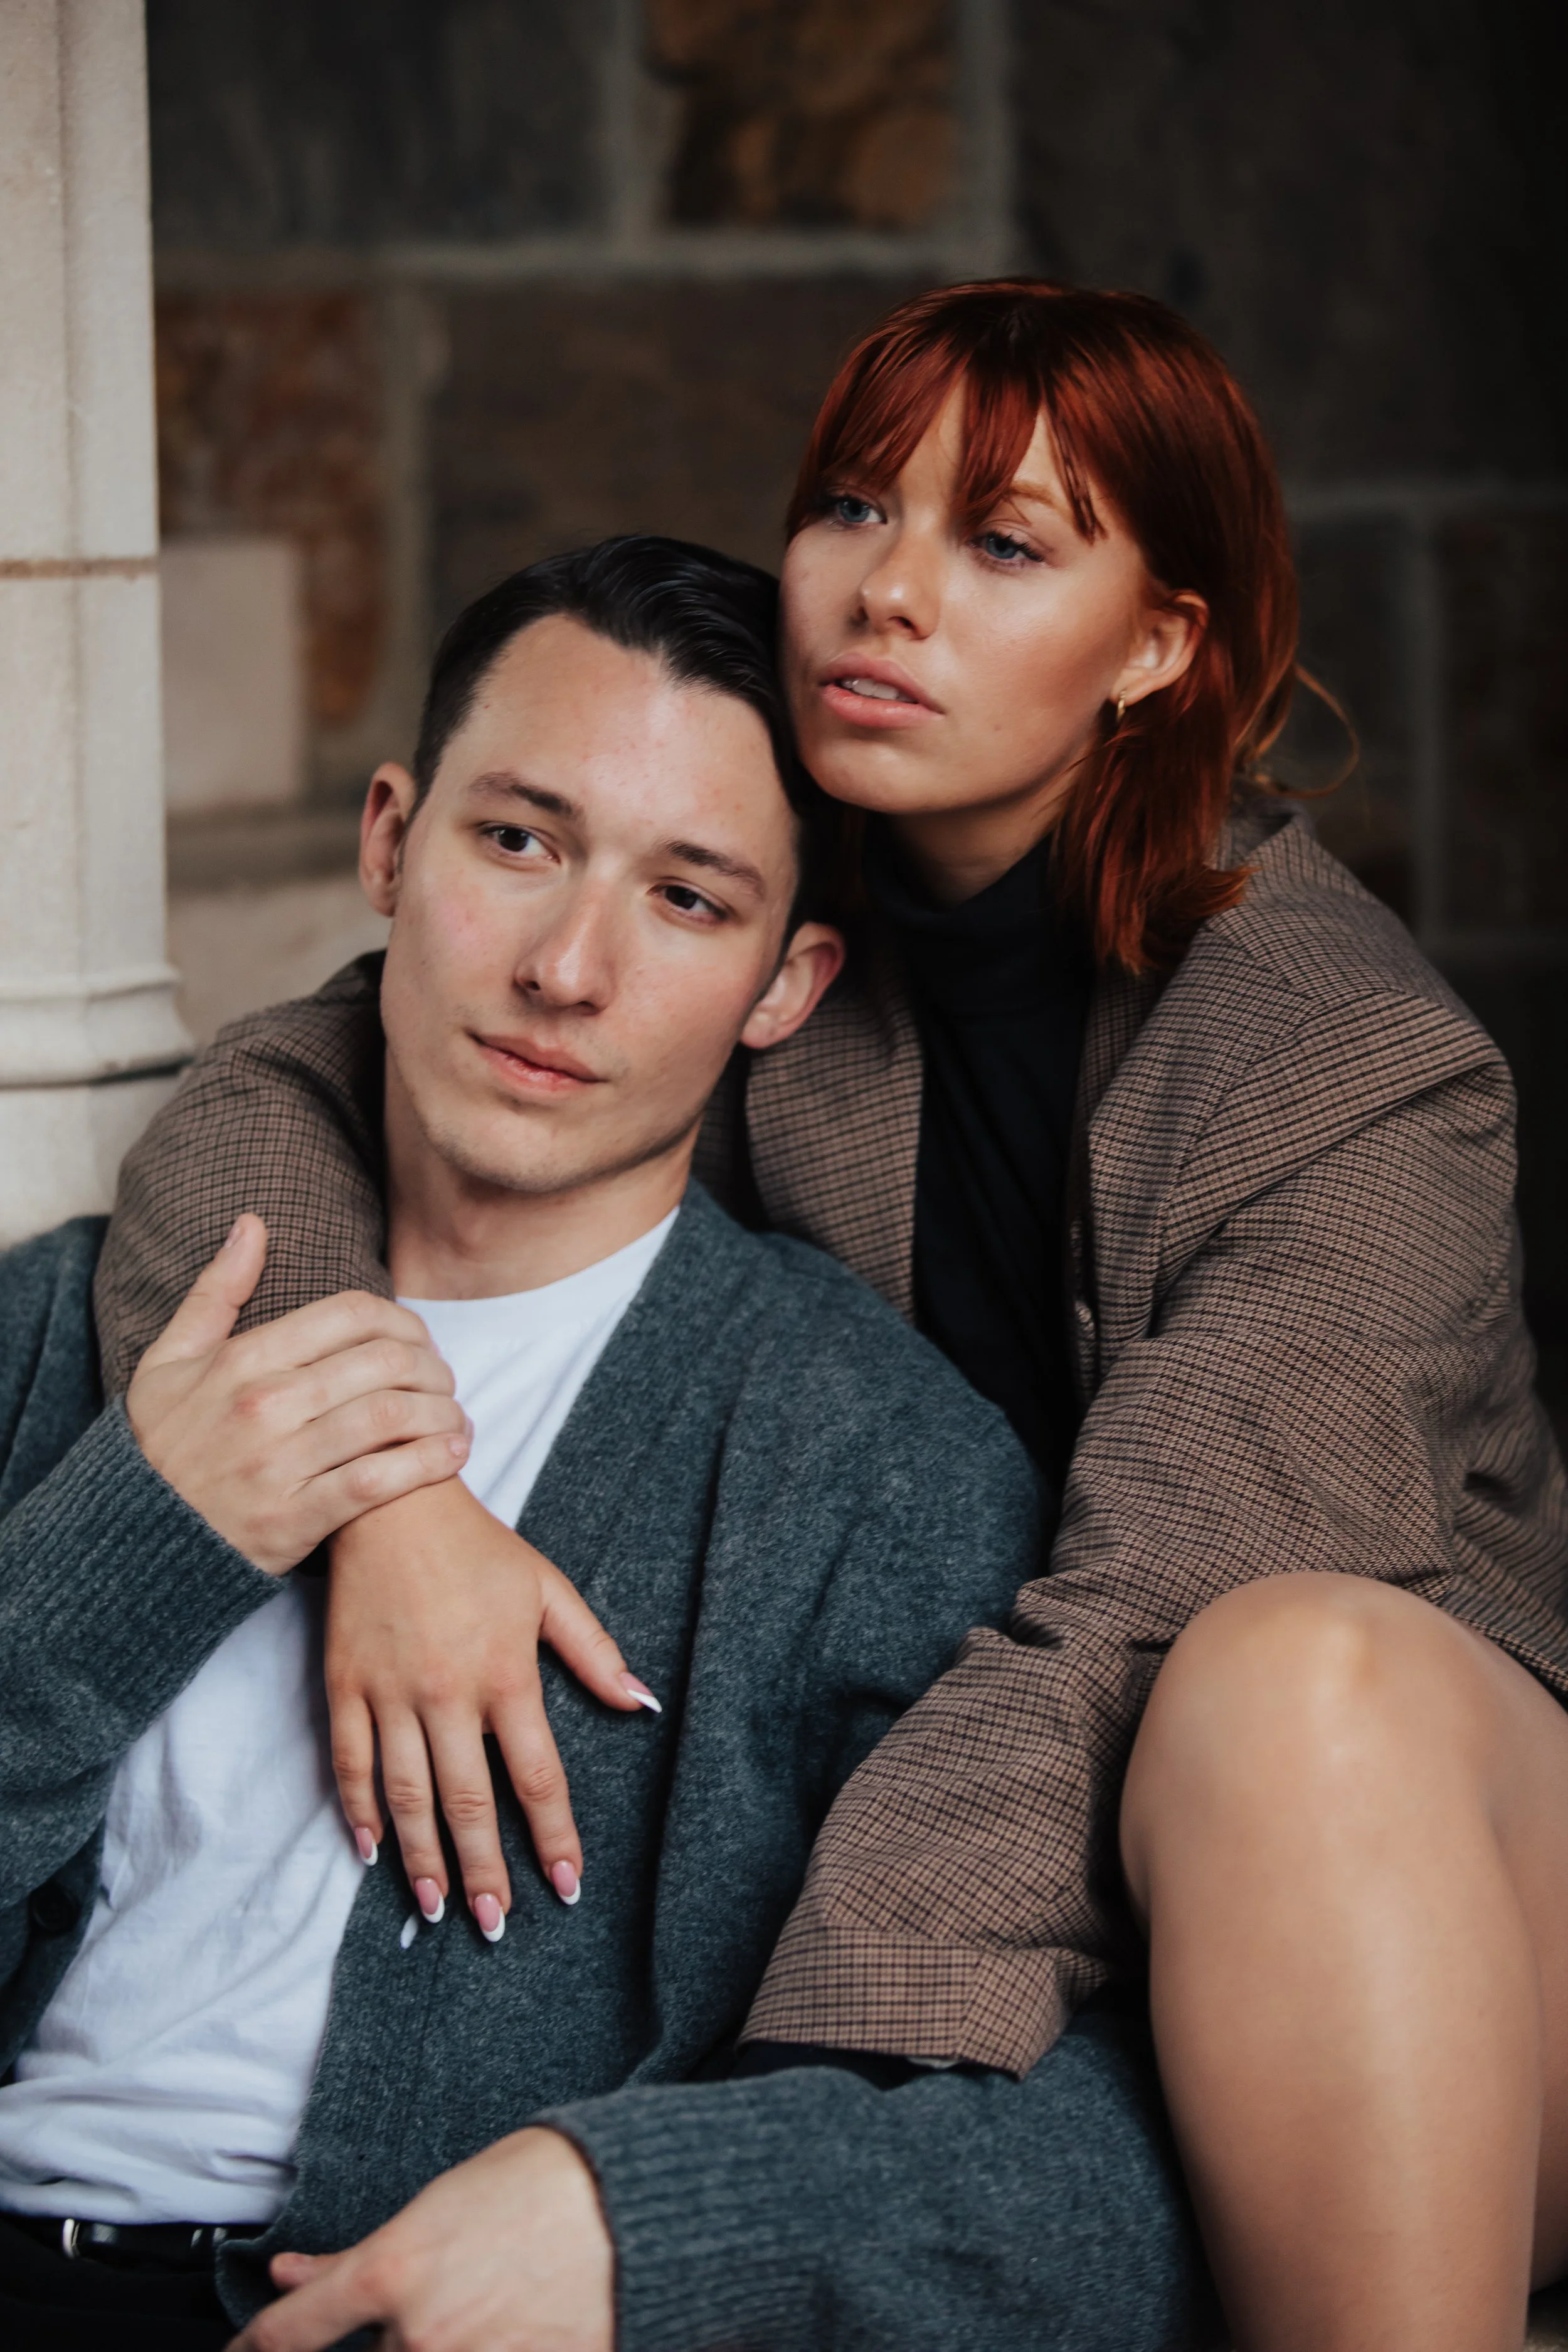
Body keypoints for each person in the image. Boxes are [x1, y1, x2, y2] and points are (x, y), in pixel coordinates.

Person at [98, 282, 1568, 2352]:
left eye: (1003, 545)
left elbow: (1133, 1614)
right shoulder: (770, 917)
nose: (887, 598)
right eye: (855, 510)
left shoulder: (1347, 1070)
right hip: (995, 1806)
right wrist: (385, 1497)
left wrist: (753, 2145)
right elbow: (296, 1084)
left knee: (1277, 1671)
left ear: (1161, 644)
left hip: (1418, 1888)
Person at [0, 539, 1069, 2349]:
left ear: (787, 983)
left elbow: (1076, 2161)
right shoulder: (61, 1332)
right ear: (386, 841)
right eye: (518, 840)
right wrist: (124, 1563)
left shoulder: (874, 1471)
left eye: (686, 898)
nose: (567, 966)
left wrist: (631, 2218)